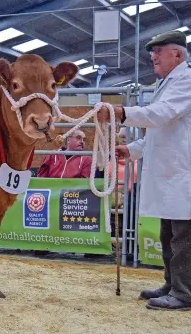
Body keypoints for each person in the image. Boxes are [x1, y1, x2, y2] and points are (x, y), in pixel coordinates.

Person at [97, 30, 191, 311]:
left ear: (178, 54)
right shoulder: (167, 83)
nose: (153, 55)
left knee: (183, 237)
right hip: (170, 173)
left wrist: (122, 113)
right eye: (153, 51)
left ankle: (184, 294)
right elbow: (160, 132)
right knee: (168, 234)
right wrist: (133, 149)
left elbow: (160, 114)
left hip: (183, 172)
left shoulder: (186, 81)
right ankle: (172, 284)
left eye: (159, 50)